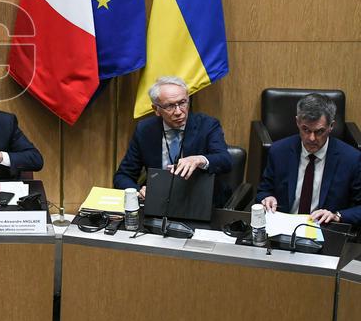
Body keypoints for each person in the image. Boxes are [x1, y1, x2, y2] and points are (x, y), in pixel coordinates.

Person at [113, 76, 231, 199]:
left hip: (199, 198)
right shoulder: (145, 130)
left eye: (182, 103)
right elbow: (122, 176)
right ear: (156, 109)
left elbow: (225, 160)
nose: (179, 111)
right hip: (159, 200)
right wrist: (137, 192)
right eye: (170, 106)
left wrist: (199, 160)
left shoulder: (207, 125)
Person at [256, 93, 361, 225]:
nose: (311, 138)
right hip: (283, 229)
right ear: (297, 122)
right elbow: (264, 190)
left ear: (331, 126)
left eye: (319, 131)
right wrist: (267, 198)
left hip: (325, 231)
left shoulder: (351, 159)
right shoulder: (279, 152)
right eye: (305, 129)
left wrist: (337, 216)